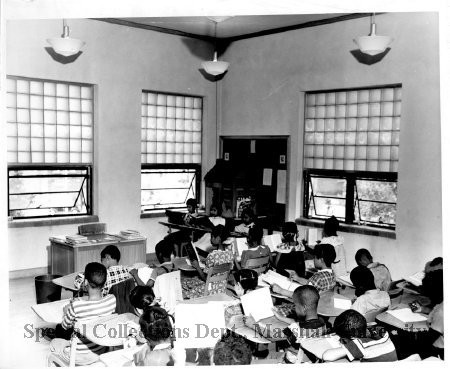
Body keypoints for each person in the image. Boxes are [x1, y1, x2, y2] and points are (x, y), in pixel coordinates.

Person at [50, 262, 117, 365]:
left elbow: (65, 326)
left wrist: (66, 311)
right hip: (101, 351)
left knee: (55, 340)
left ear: (85, 282)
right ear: (104, 282)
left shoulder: (76, 307)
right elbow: (97, 303)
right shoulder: (111, 300)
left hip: (78, 356)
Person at [322, 309, 397, 362]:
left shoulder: (360, 344)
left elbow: (326, 356)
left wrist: (344, 345)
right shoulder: (380, 329)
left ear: (353, 337)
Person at [273, 243, 337, 298]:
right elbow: (313, 284)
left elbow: (302, 297)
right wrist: (297, 278)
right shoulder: (332, 274)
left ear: (321, 260)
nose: (313, 259)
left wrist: (281, 290)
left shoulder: (318, 277)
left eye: (315, 257)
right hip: (321, 306)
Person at [405, 269, 444, 359]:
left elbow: (427, 340)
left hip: (439, 351)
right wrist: (425, 309)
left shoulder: (441, 312)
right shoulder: (441, 305)